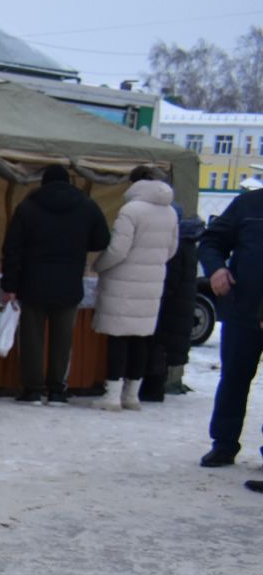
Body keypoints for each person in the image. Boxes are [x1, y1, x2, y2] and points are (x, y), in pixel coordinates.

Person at [0, 164, 110, 404]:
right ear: (69, 183)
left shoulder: (27, 207)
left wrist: (9, 285)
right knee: (63, 340)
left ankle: (32, 389)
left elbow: (12, 249)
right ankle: (57, 389)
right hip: (69, 282)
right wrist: (80, 244)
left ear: (43, 183)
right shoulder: (87, 206)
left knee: (31, 338)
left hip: (33, 282)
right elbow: (102, 239)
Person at [90, 166, 178, 411]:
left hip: (123, 281)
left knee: (118, 338)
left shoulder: (131, 210)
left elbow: (118, 250)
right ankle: (132, 396)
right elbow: (171, 249)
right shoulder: (170, 211)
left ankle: (111, 396)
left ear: (134, 183)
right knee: (140, 339)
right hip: (153, 281)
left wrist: (98, 265)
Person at [199, 185, 263, 466]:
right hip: (243, 311)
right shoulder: (248, 205)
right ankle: (224, 444)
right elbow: (211, 241)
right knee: (234, 379)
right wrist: (216, 268)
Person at [144, 211, 203, 402]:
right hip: (180, 306)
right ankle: (155, 387)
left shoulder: (178, 246)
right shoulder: (189, 244)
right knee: (165, 348)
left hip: (170, 307)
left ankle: (152, 389)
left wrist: (156, 294)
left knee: (159, 346)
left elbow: (170, 280)